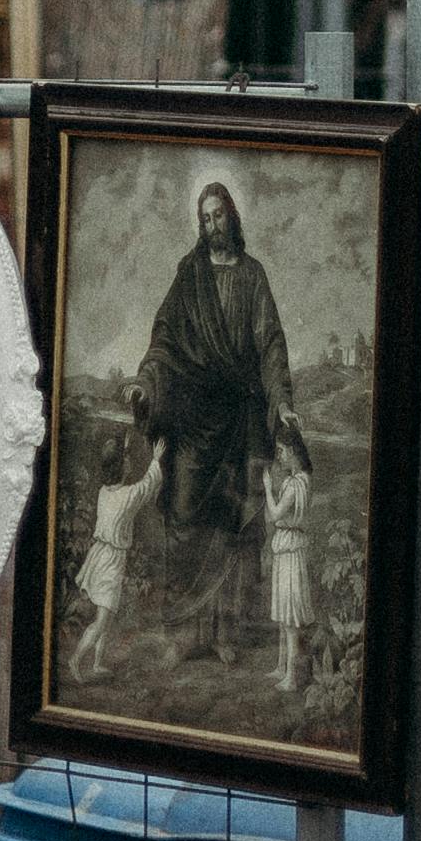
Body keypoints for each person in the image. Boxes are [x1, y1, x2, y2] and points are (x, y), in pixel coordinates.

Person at [128, 180, 298, 664]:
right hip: (191, 421)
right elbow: (164, 336)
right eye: (205, 218)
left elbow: (271, 344)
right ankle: (184, 634)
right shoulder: (190, 274)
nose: (212, 225)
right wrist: (145, 382)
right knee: (183, 519)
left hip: (238, 420)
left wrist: (281, 400)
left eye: (219, 215)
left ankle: (225, 633)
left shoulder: (252, 275)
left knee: (230, 526)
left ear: (232, 216)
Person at [73, 421, 169, 676]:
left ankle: (96, 664)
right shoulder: (128, 496)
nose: (130, 463)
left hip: (101, 556)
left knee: (109, 614)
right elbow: (148, 484)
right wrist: (156, 459)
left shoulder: (106, 491)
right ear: (120, 468)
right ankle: (76, 660)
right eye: (125, 461)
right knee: (103, 618)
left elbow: (123, 470)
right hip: (110, 561)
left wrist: (124, 445)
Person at [262, 415, 315, 693]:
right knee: (284, 614)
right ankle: (282, 667)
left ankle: (292, 677)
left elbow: (273, 515)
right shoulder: (302, 479)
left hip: (290, 549)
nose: (279, 457)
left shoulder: (295, 485)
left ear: (293, 451)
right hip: (288, 547)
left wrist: (267, 488)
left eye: (281, 452)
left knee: (290, 615)